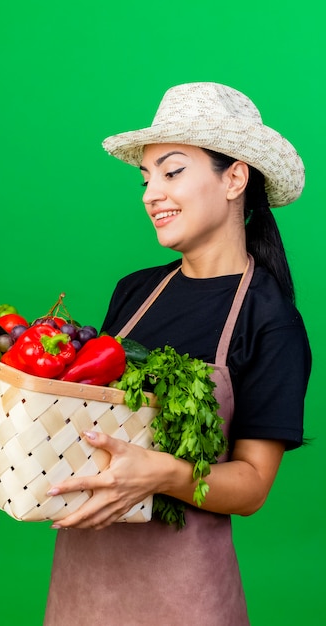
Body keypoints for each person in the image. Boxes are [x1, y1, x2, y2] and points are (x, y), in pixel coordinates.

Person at [43, 82, 312, 625]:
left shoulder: (270, 320)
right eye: (145, 179)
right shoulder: (134, 292)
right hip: (85, 579)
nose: (150, 194)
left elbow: (253, 485)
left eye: (172, 172)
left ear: (234, 177)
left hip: (184, 594)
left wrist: (164, 474)